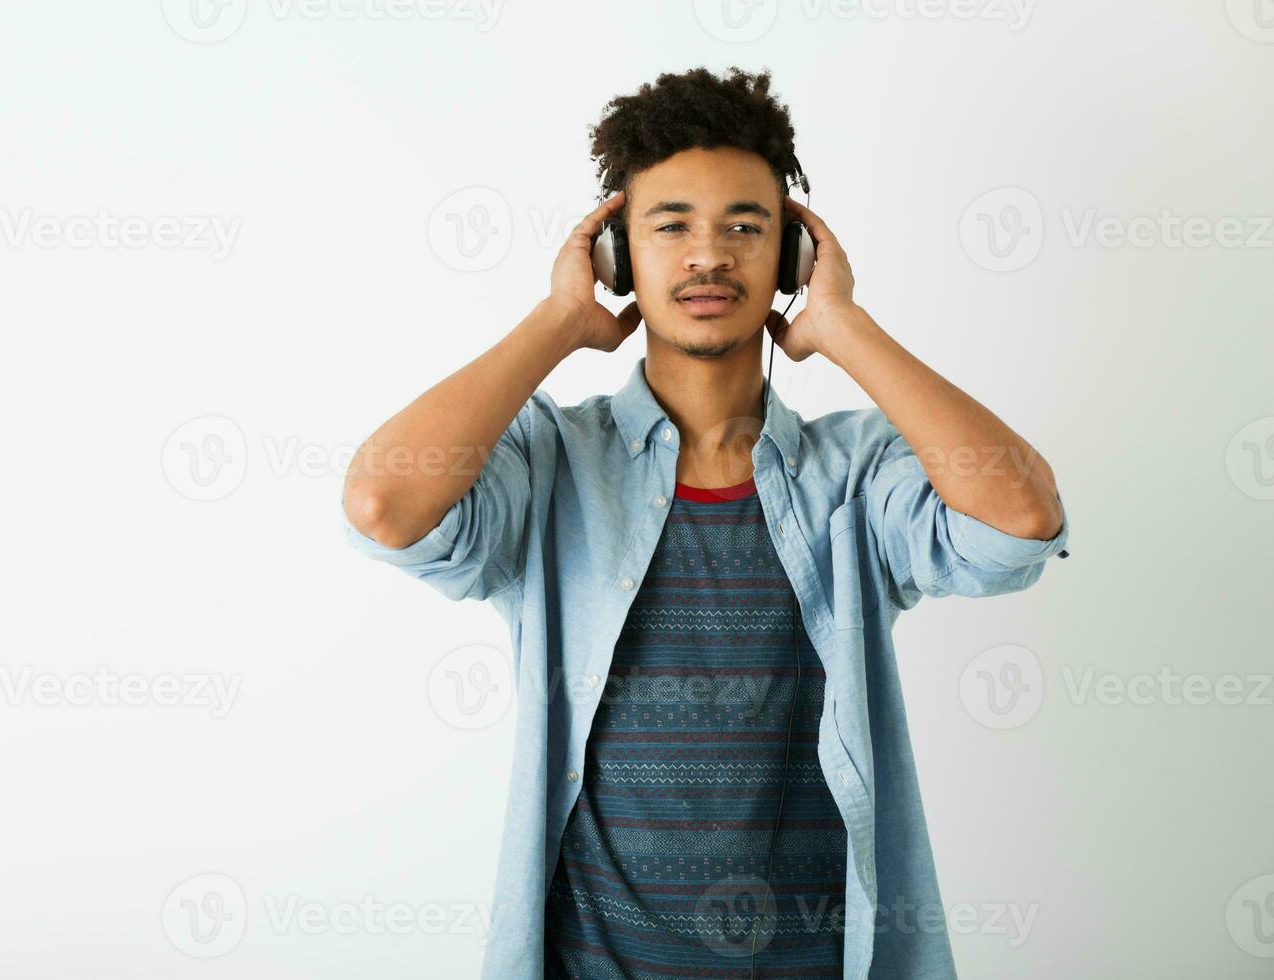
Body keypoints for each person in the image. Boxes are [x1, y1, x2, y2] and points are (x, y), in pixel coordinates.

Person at [340, 66, 1069, 980]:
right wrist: (559, 320)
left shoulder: (858, 473)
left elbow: (1021, 520)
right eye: (671, 225)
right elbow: (383, 506)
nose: (707, 257)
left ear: (794, 259)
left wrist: (842, 326)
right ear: (615, 254)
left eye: (744, 227)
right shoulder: (551, 461)